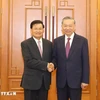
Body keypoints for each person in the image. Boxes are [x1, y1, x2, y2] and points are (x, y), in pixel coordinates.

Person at [52, 16, 90, 100]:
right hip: (61, 81)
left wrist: (85, 80)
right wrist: (52, 65)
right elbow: (54, 58)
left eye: (70, 26)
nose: (67, 28)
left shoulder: (82, 41)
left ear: (74, 27)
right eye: (65, 26)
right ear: (62, 27)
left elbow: (85, 61)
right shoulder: (57, 41)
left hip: (76, 81)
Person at [20, 20, 54, 100]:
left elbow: (53, 58)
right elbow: (29, 61)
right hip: (30, 82)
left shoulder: (49, 44)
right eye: (35, 29)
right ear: (31, 30)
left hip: (44, 82)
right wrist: (46, 65)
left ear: (43, 30)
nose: (38, 31)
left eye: (40, 28)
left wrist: (52, 65)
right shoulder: (25, 44)